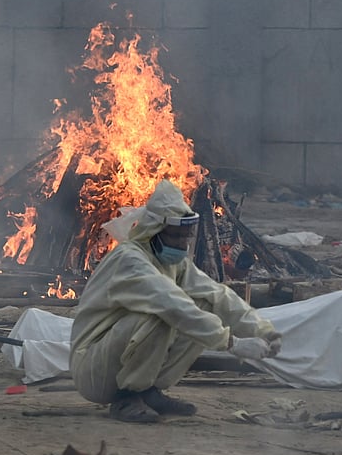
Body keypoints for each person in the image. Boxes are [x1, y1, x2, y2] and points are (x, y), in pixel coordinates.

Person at [70, 179, 281, 423]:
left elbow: (217, 294)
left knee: (205, 304)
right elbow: (171, 303)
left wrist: (263, 330)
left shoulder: (172, 262)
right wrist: (231, 343)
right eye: (177, 236)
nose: (183, 243)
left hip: (114, 363)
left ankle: (147, 391)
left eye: (185, 236)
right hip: (93, 370)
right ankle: (126, 397)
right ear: (156, 230)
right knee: (163, 314)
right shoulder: (129, 260)